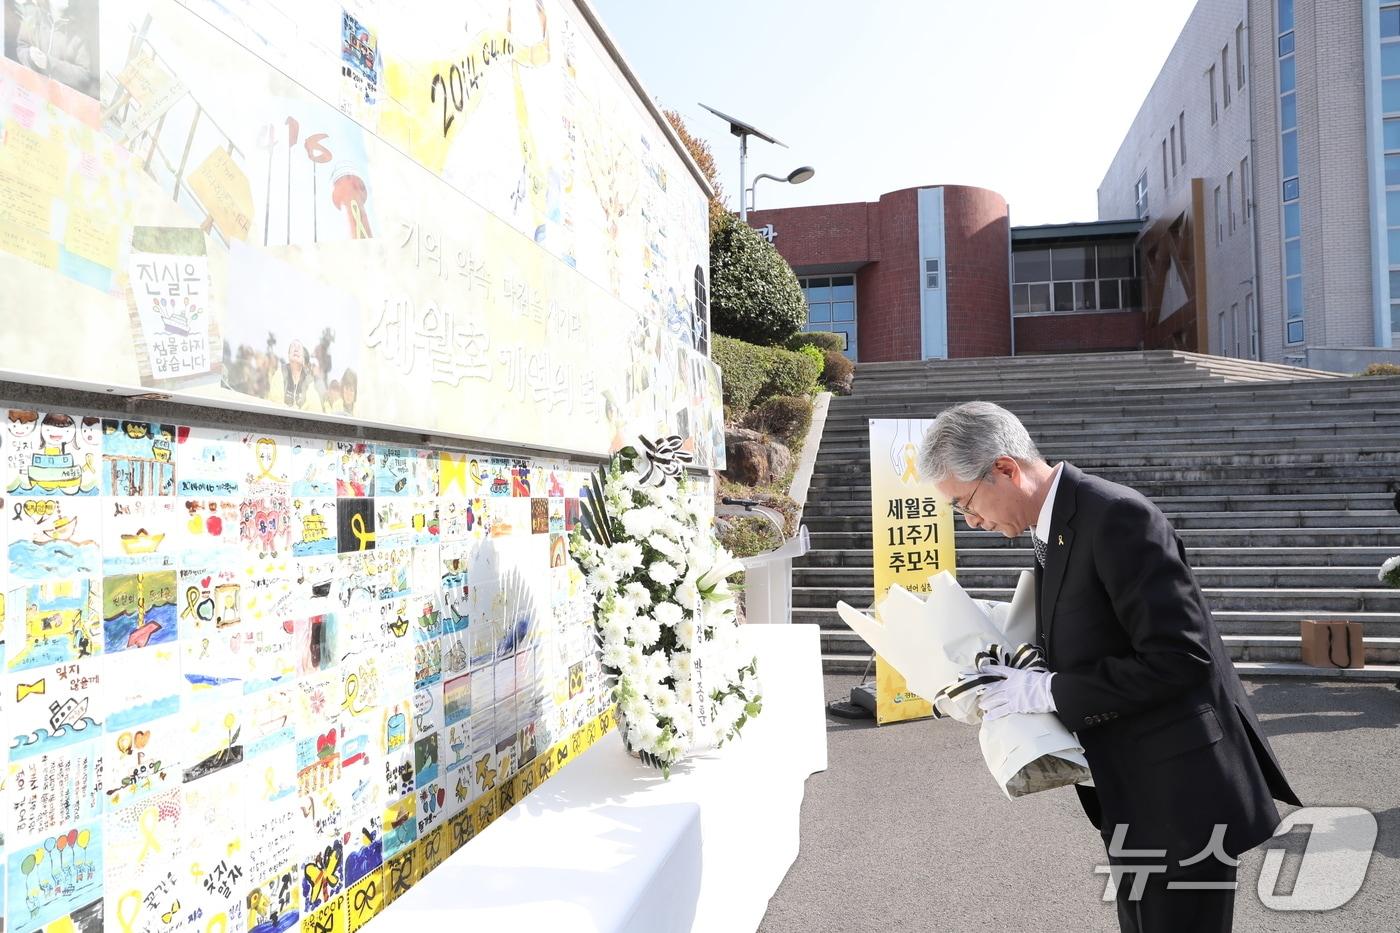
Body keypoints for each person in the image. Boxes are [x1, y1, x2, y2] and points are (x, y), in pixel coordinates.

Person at [917, 400, 1299, 933]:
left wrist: (1049, 692)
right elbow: (1094, 631)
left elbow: (1180, 657)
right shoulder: (1054, 525)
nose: (971, 520)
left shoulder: (1117, 515)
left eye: (965, 503)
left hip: (1182, 790)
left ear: (1006, 468)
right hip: (1131, 785)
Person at [15, 0, 97, 97]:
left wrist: (49, 63)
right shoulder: (34, 15)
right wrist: (29, 55)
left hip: (59, 101)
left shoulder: (79, 32)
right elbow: (22, 47)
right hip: (31, 92)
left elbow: (84, 76)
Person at [266, 339, 322, 413]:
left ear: (303, 359)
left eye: (299, 347)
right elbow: (275, 402)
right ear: (288, 355)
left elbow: (316, 409)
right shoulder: (280, 374)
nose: (296, 349)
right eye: (293, 346)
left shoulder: (309, 383)